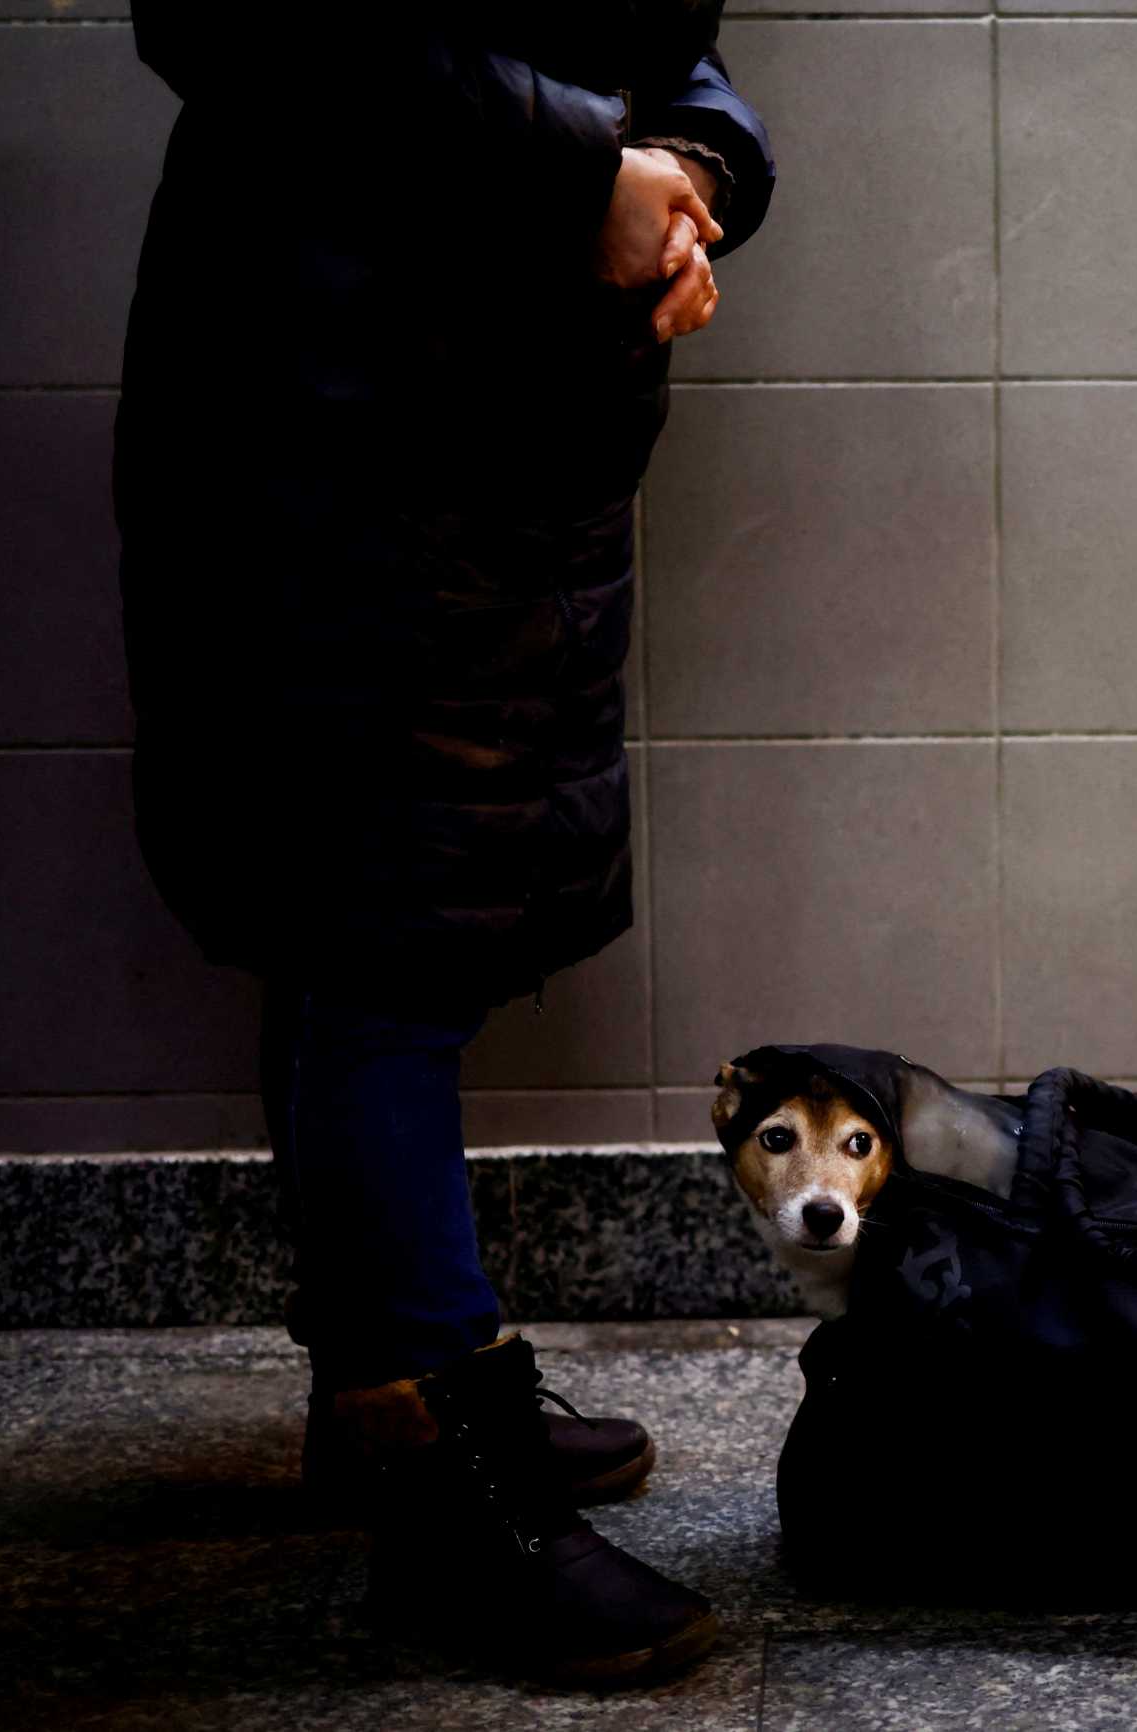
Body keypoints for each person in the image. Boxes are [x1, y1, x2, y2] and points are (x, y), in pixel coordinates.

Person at [113, 6, 774, 1686]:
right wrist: (584, 175)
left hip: (490, 422)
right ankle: (445, 1503)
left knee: (389, 908)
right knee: (381, 926)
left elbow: (666, 41)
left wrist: (681, 177)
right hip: (330, 400)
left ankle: (387, 1395)